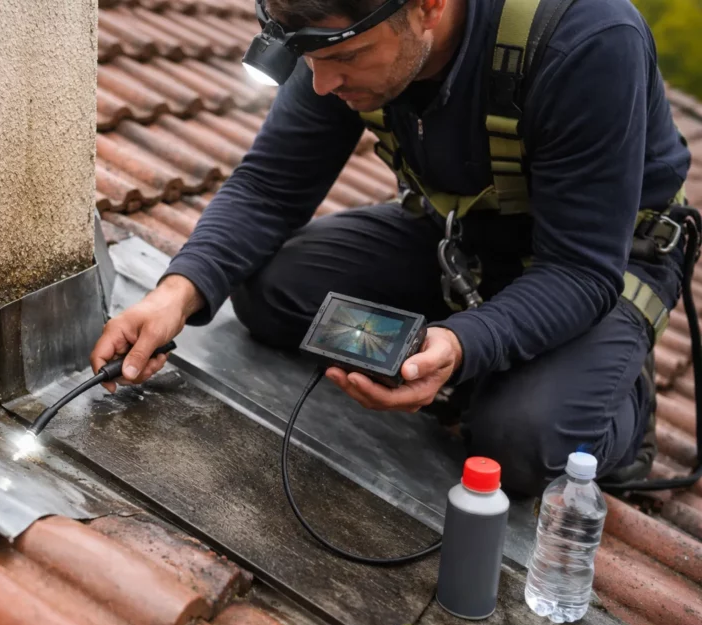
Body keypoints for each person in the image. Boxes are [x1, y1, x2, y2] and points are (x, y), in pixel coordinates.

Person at [89, 0, 693, 496]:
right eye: (310, 60)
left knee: (514, 443)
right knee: (268, 289)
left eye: (346, 57)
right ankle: (470, 358)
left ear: (429, 6)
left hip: (595, 264)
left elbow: (580, 271)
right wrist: (177, 291)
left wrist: (462, 344)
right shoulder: (337, 27)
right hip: (464, 240)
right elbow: (272, 186)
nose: (323, 84)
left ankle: (618, 411)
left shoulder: (586, 40)